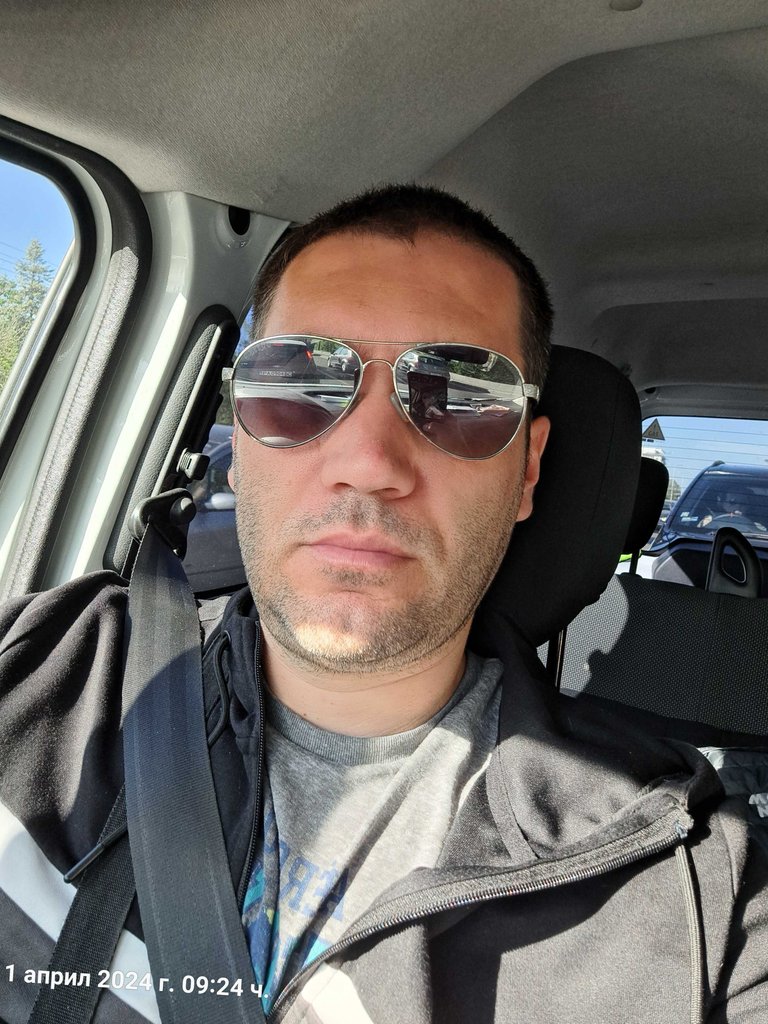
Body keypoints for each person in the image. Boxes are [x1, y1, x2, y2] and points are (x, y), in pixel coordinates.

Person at [0, 185, 766, 1024]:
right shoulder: (39, 670)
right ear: (238, 441)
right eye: (298, 381)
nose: (368, 462)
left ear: (528, 471)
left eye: (460, 396)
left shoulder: (689, 891)